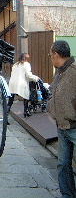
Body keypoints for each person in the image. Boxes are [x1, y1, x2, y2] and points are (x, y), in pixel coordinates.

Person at [47, 40, 76, 198]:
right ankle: (67, 195)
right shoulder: (59, 72)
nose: (50, 58)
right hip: (62, 126)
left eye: (50, 55)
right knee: (63, 164)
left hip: (74, 126)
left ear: (56, 55)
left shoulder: (73, 71)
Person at [7, 53, 39, 117]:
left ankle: (6, 116)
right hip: (21, 83)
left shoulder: (15, 65)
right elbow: (28, 75)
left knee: (10, 101)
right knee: (26, 96)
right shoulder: (26, 64)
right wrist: (36, 78)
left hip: (12, 83)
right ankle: (25, 112)